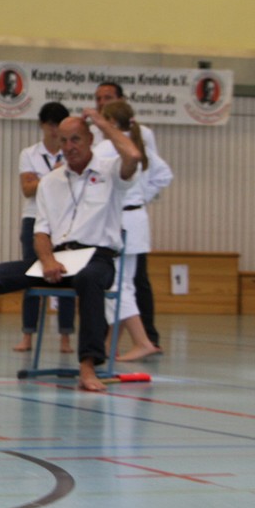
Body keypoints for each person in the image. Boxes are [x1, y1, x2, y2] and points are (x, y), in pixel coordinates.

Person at [0, 110, 140, 392]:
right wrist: (48, 260)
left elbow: (133, 155)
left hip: (95, 259)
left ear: (90, 139)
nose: (69, 146)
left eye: (76, 139)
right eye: (63, 141)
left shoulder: (110, 172)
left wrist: (102, 123)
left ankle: (88, 367)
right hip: (57, 259)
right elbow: (41, 232)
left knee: (89, 280)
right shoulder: (50, 181)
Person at [96, 99, 173, 361]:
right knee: (125, 283)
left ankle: (142, 341)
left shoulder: (108, 147)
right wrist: (141, 196)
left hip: (121, 220)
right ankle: (109, 343)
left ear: (110, 122)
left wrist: (132, 195)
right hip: (137, 218)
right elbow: (164, 175)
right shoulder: (139, 146)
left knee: (116, 284)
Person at [13, 102, 75, 354]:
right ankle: (27, 334)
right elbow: (27, 189)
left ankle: (65, 337)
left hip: (64, 221)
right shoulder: (30, 154)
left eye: (58, 125)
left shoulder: (71, 154)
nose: (54, 130)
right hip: (33, 218)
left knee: (67, 277)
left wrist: (44, 179)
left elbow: (75, 186)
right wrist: (54, 177)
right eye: (50, 125)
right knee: (32, 275)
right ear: (42, 125)